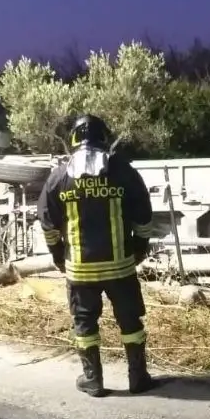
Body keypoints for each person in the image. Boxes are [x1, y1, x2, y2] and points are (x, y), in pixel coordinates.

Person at [37, 114, 157, 397]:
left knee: (85, 323)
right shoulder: (123, 171)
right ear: (105, 138)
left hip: (79, 270)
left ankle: (93, 379)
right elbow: (143, 215)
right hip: (121, 267)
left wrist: (57, 255)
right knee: (130, 321)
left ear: (74, 140)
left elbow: (47, 222)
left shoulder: (59, 176)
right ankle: (137, 377)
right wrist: (140, 248)